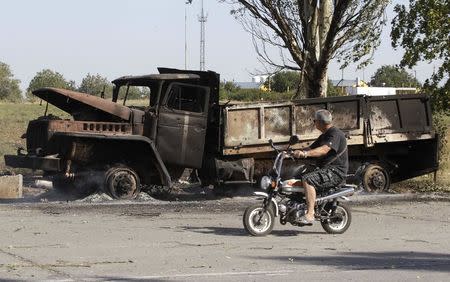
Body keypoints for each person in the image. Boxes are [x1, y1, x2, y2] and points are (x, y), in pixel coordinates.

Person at [292, 109, 348, 225]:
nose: (314, 123)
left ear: (320, 122)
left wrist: (306, 154)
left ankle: (310, 214)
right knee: (296, 177)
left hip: (335, 171)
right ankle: (297, 207)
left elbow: (324, 149)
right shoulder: (324, 135)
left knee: (308, 179)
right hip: (326, 170)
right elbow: (311, 148)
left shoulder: (335, 134)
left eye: (314, 121)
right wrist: (294, 152)